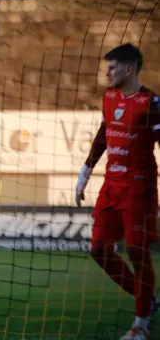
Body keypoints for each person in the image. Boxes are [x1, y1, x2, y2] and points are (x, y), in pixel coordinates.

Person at [75, 43, 160, 340]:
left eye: (112, 68)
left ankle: (140, 326)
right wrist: (85, 171)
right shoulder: (109, 97)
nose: (108, 73)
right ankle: (147, 299)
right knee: (99, 250)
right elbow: (103, 133)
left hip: (140, 187)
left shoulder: (151, 103)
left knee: (137, 250)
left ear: (129, 68)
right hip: (111, 186)